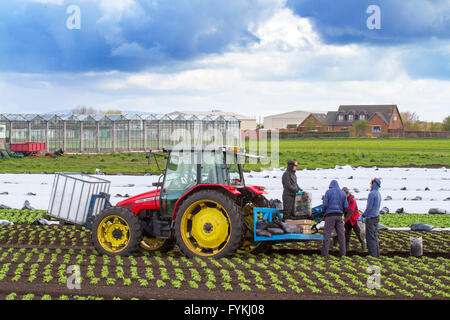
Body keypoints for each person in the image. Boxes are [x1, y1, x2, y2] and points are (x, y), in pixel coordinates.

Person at [321, 180, 348, 257]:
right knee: (341, 235)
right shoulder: (343, 193)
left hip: (330, 216)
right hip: (339, 216)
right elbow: (346, 206)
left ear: (330, 186)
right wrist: (341, 212)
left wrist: (323, 213)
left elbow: (325, 204)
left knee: (327, 234)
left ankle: (324, 254)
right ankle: (343, 253)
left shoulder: (328, 192)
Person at [342, 187, 366, 252]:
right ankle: (347, 250)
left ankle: (364, 249)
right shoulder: (344, 199)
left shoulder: (352, 199)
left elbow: (350, 211)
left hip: (355, 219)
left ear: (347, 193)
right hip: (348, 220)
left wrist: (345, 220)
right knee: (347, 235)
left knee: (359, 234)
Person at [363, 178, 382, 258]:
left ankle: (373, 255)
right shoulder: (378, 193)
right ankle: (377, 254)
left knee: (370, 237)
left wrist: (363, 215)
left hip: (371, 218)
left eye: (371, 183)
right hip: (376, 217)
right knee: (374, 236)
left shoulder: (372, 194)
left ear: (374, 184)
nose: (370, 185)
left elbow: (369, 207)